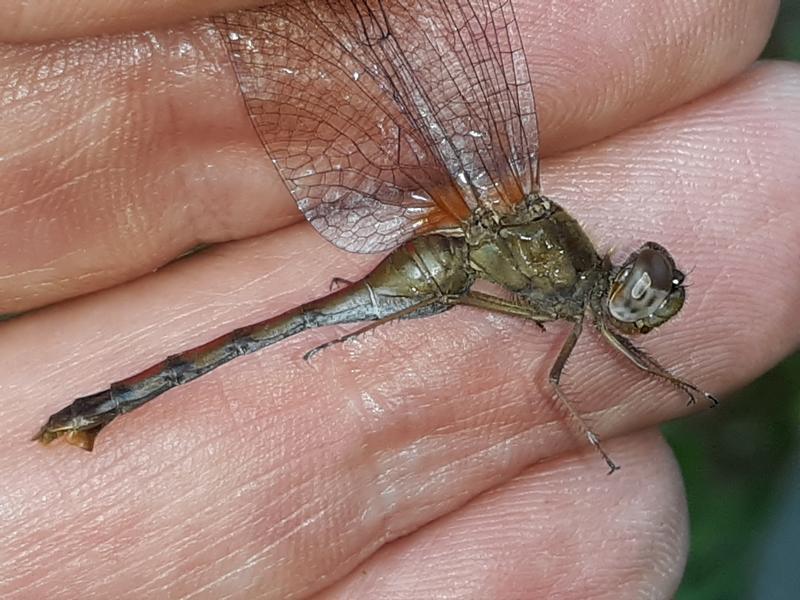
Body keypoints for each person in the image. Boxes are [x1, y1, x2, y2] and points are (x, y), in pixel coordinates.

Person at [0, 0, 796, 597]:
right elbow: (556, 378)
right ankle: (103, 407)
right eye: (645, 293)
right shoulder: (557, 261)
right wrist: (643, 399)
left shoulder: (569, 281)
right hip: (442, 262)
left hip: (446, 267)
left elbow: (545, 327)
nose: (643, 303)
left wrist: (672, 380)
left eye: (648, 294)